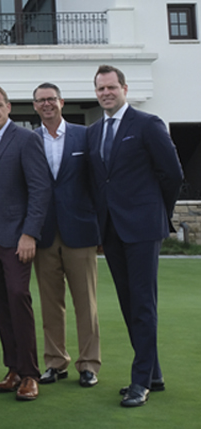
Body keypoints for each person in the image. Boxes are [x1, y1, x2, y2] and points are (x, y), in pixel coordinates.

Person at [87, 65, 183, 407]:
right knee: (130, 304)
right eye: (100, 89)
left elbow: (172, 174)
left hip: (142, 229)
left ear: (124, 88)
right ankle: (153, 374)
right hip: (112, 231)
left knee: (143, 303)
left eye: (111, 87)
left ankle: (139, 381)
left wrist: (158, 212)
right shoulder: (94, 131)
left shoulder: (147, 124)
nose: (106, 93)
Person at [0, 85, 51, 401]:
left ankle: (30, 374)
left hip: (16, 236)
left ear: (8, 107)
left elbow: (40, 189)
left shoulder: (26, 139)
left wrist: (29, 233)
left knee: (18, 297)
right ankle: (13, 369)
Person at [30, 83, 102, 388]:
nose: (46, 104)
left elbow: (98, 183)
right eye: (40, 101)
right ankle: (55, 362)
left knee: (86, 302)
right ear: (34, 106)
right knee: (50, 303)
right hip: (44, 233)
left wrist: (101, 227)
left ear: (62, 102)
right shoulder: (30, 140)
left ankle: (89, 364)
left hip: (80, 230)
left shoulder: (84, 136)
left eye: (51, 99)